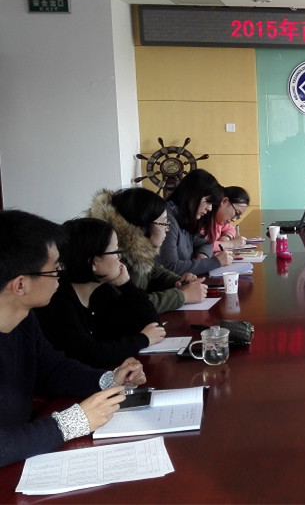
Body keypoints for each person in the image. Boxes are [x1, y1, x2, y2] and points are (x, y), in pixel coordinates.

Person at [0, 210, 146, 468]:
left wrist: (109, 379)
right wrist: (74, 422)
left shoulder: (23, 320)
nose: (62, 275)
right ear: (20, 285)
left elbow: (54, 369)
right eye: (55, 269)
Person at [35, 218, 165, 368]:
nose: (120, 257)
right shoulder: (57, 300)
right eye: (115, 251)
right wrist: (143, 339)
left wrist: (126, 285)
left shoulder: (102, 290)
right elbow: (92, 355)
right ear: (94, 262)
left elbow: (153, 326)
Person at [88, 187, 208, 313]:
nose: (167, 229)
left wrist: (179, 281)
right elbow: (127, 307)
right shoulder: (113, 257)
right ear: (142, 226)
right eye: (164, 223)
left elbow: (154, 272)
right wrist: (182, 296)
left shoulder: (138, 252)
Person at [157, 169, 232, 275]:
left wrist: (202, 257)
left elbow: (206, 243)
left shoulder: (183, 216)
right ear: (192, 195)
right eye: (208, 202)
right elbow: (171, 268)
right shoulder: (166, 220)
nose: (209, 208)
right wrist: (214, 262)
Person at [208, 186, 250, 251]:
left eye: (238, 217)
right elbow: (202, 247)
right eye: (236, 213)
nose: (234, 219)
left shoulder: (219, 221)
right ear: (224, 201)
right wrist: (230, 244)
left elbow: (231, 229)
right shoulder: (204, 219)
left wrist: (226, 237)